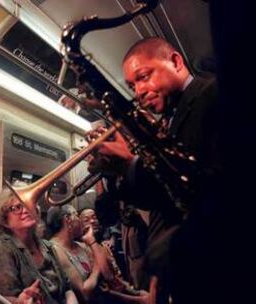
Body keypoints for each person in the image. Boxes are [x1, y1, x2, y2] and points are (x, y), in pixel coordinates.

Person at [90, 37, 221, 302]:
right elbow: (158, 196)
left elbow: (211, 189)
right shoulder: (170, 121)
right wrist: (119, 171)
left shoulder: (212, 96)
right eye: (132, 85)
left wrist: (132, 163)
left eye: (143, 76)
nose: (138, 91)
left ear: (175, 61)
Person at [0, 187, 78, 304]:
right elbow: (0, 300)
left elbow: (67, 288)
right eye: (17, 207)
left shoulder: (46, 245)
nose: (26, 210)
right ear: (5, 219)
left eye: (28, 204)